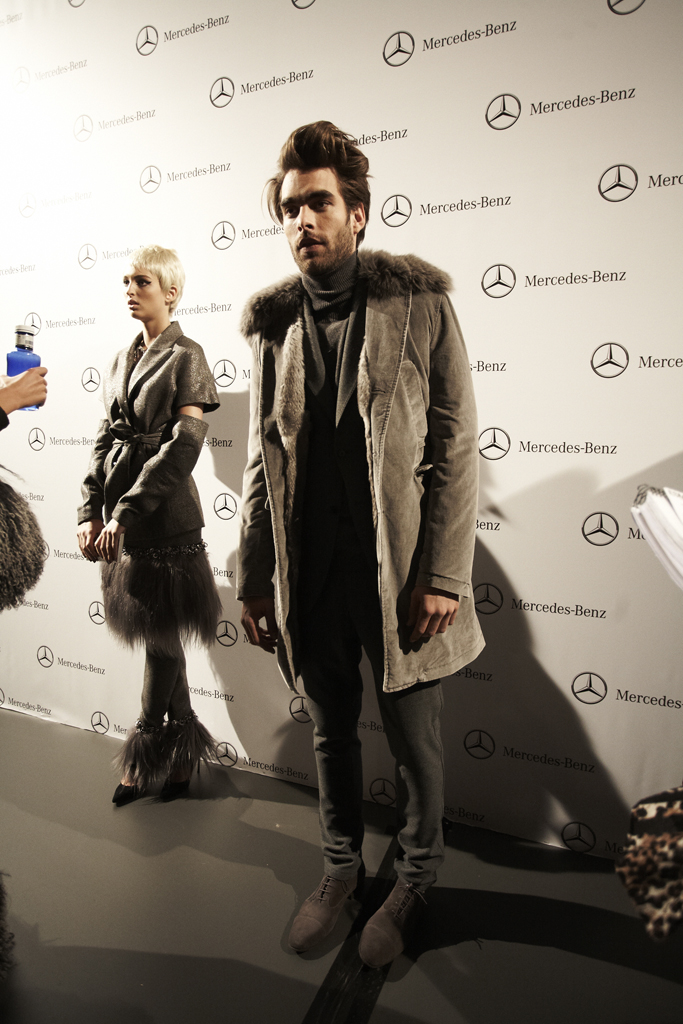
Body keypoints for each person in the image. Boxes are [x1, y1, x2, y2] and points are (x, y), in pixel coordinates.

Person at [238, 122, 484, 967]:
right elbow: (262, 462)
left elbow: (456, 442)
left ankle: (413, 881)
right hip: (312, 576)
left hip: (401, 576)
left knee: (415, 744)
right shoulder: (273, 325)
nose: (301, 220)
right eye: (288, 208)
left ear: (357, 214)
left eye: (318, 203)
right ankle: (341, 870)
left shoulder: (418, 304)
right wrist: (253, 576)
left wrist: (443, 573)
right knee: (329, 734)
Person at [77, 245, 221, 806]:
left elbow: (183, 447)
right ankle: (183, 756)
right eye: (126, 281)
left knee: (161, 642)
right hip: (122, 521)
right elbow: (103, 441)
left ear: (171, 292)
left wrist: (125, 511)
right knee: (162, 640)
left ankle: (141, 755)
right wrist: (91, 510)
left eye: (141, 281)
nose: (130, 290)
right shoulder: (119, 359)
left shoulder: (188, 355)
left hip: (167, 519)